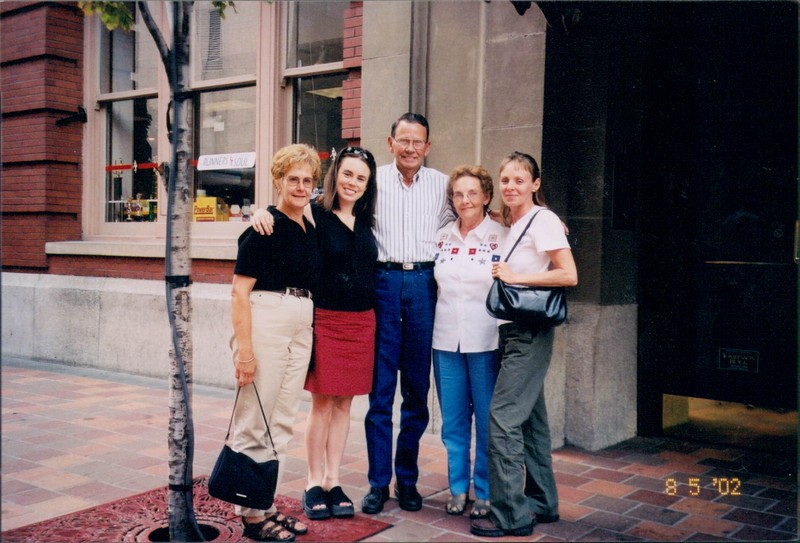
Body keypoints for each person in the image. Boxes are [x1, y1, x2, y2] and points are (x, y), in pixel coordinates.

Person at [470, 151, 577, 538]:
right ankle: (542, 501)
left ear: (536, 184)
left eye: (520, 180)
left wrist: (516, 277)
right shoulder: (517, 220)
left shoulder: (542, 220)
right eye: (505, 180)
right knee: (531, 421)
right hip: (515, 330)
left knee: (502, 420)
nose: (511, 186)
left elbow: (569, 274)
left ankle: (510, 515)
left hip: (529, 330)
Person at [361, 112, 455, 514]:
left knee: (416, 389)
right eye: (404, 140)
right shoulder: (372, 180)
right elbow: (330, 209)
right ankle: (378, 483)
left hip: (423, 284)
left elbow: (473, 217)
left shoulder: (443, 185)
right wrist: (267, 212)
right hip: (383, 282)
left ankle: (408, 481)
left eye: (418, 142)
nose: (411, 148)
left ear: (428, 146)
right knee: (380, 391)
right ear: (390, 143)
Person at [230, 143, 321, 542]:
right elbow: (239, 293)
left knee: (280, 420)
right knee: (256, 418)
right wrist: (245, 352)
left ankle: (264, 503)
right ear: (278, 181)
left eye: (307, 180)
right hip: (267, 318)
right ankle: (250, 516)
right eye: (293, 179)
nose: (300, 187)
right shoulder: (262, 228)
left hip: (301, 322)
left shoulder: (309, 227)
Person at [300, 147, 379, 521]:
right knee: (321, 404)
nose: (353, 182)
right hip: (326, 320)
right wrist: (264, 215)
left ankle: (334, 480)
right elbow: (280, 215)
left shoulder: (367, 221)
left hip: (361, 322)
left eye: (361, 178)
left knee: (345, 404)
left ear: (368, 185)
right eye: (348, 174)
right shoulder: (314, 214)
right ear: (335, 175)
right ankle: (313, 482)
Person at [431, 165, 507, 519]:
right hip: (445, 341)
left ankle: (486, 491)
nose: (465, 200)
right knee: (453, 422)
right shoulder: (442, 237)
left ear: (487, 196)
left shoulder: (502, 236)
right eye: (458, 194)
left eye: (473, 193)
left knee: (487, 422)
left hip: (486, 342)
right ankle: (458, 489)